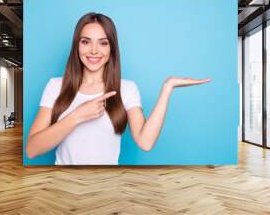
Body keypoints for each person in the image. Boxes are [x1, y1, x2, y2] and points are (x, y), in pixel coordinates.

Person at [26, 12, 211, 165]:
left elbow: (145, 142)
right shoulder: (55, 86)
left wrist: (167, 88)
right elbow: (32, 149)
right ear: (77, 46)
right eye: (86, 41)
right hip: (64, 188)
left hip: (109, 186)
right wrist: (77, 116)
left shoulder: (127, 89)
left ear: (112, 48)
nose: (93, 50)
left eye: (103, 42)